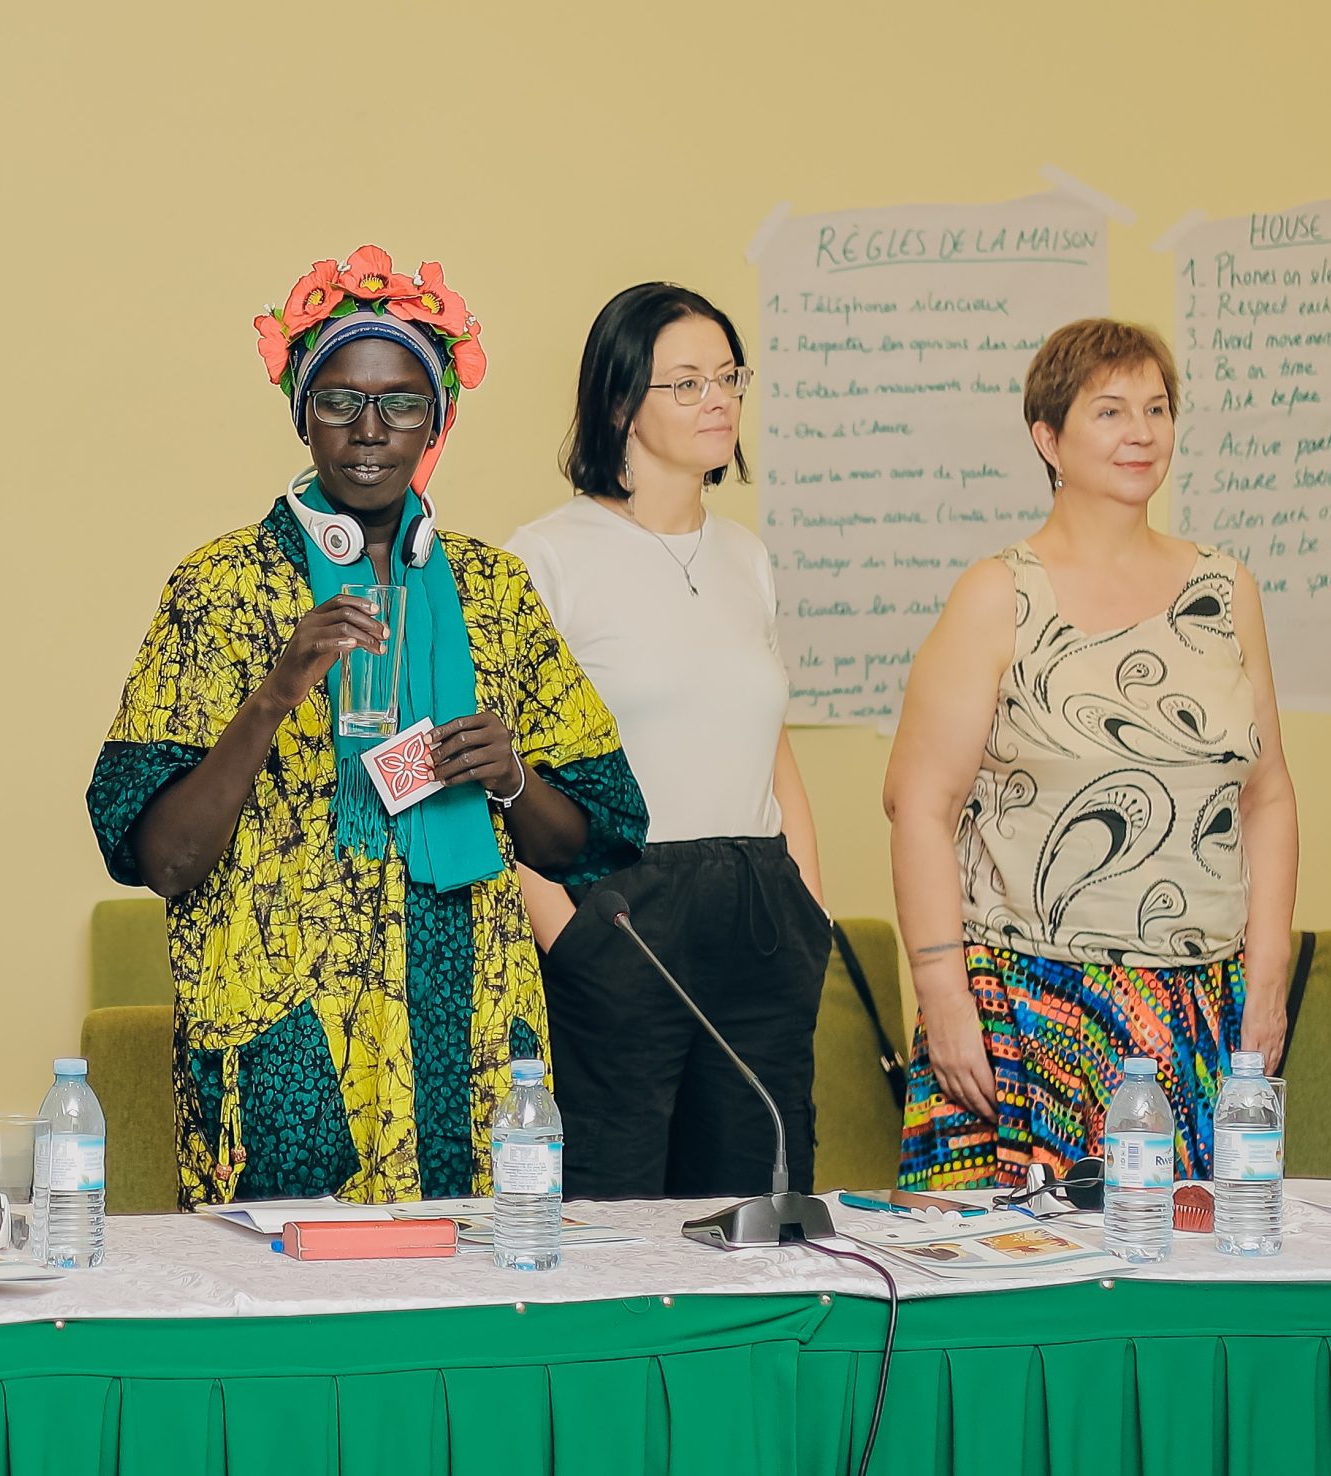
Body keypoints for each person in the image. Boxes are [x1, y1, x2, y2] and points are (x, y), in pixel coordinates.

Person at [89, 246, 647, 1207]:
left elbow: (596, 839)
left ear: (436, 421)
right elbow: (163, 860)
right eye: (340, 401)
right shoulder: (221, 589)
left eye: (400, 404)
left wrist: (513, 779)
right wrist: (274, 696)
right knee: (289, 1315)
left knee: (473, 1308)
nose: (370, 431)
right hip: (292, 1032)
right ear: (303, 413)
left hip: (468, 1027)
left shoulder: (495, 591)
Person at [886, 318, 1298, 1189]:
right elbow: (917, 805)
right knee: (1003, 1302)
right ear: (1050, 439)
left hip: (1197, 1011)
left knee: (1177, 1295)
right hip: (1025, 1007)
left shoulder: (1226, 591)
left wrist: (1267, 980)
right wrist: (942, 995)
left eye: (1157, 408)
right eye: (1110, 411)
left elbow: (1266, 797)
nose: (1141, 432)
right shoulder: (999, 592)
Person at [505, 282, 831, 1200]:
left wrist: (811, 905)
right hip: (618, 913)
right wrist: (566, 937)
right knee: (614, 1213)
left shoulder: (747, 557)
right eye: (684, 383)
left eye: (728, 377)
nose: (718, 399)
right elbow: (504, 771)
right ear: (618, 405)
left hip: (763, 913)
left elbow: (771, 743)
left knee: (759, 1208)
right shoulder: (545, 557)